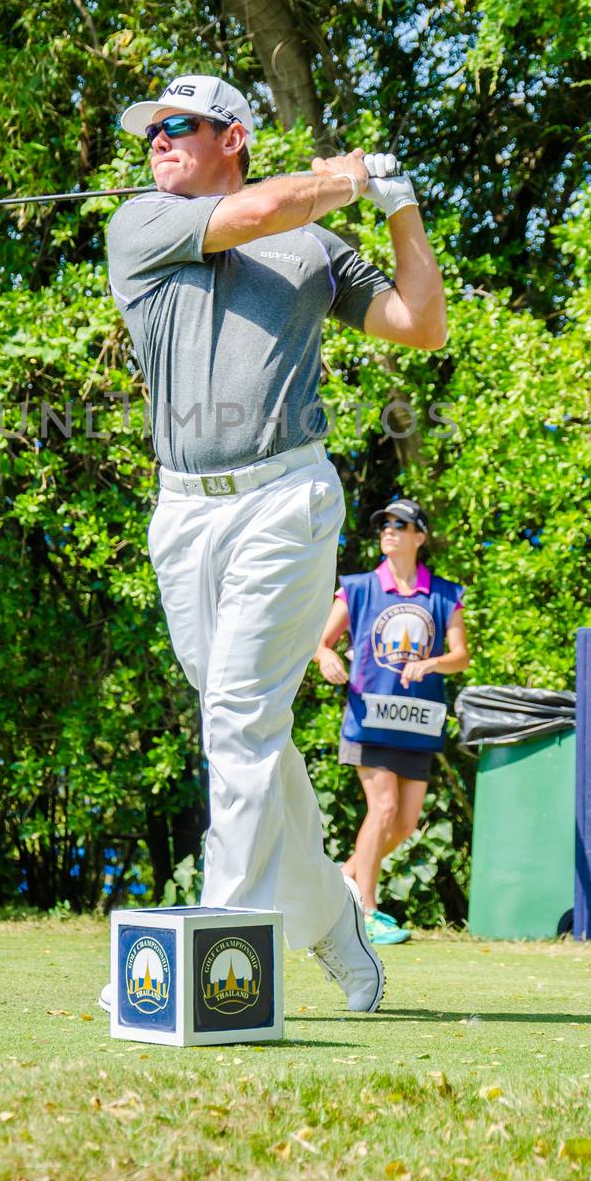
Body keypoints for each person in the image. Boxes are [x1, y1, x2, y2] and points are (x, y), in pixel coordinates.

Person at [103, 73, 447, 1013]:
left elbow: (422, 323)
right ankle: (337, 924)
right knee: (244, 730)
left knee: (240, 720)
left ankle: (210, 963)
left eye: (179, 127)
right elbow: (254, 213)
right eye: (151, 132)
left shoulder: (314, 246)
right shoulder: (143, 224)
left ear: (235, 136)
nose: (158, 143)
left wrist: (399, 206)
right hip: (184, 512)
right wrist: (339, 176)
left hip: (284, 501)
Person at [313, 497, 470, 944]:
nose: (389, 530)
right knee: (381, 810)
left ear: (419, 536)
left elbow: (461, 658)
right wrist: (326, 657)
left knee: (402, 825)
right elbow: (320, 641)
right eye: (384, 523)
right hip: (370, 720)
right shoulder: (359, 588)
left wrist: (433, 663)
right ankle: (366, 911)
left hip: (419, 724)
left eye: (400, 524)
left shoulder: (444, 594)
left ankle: (340, 886)